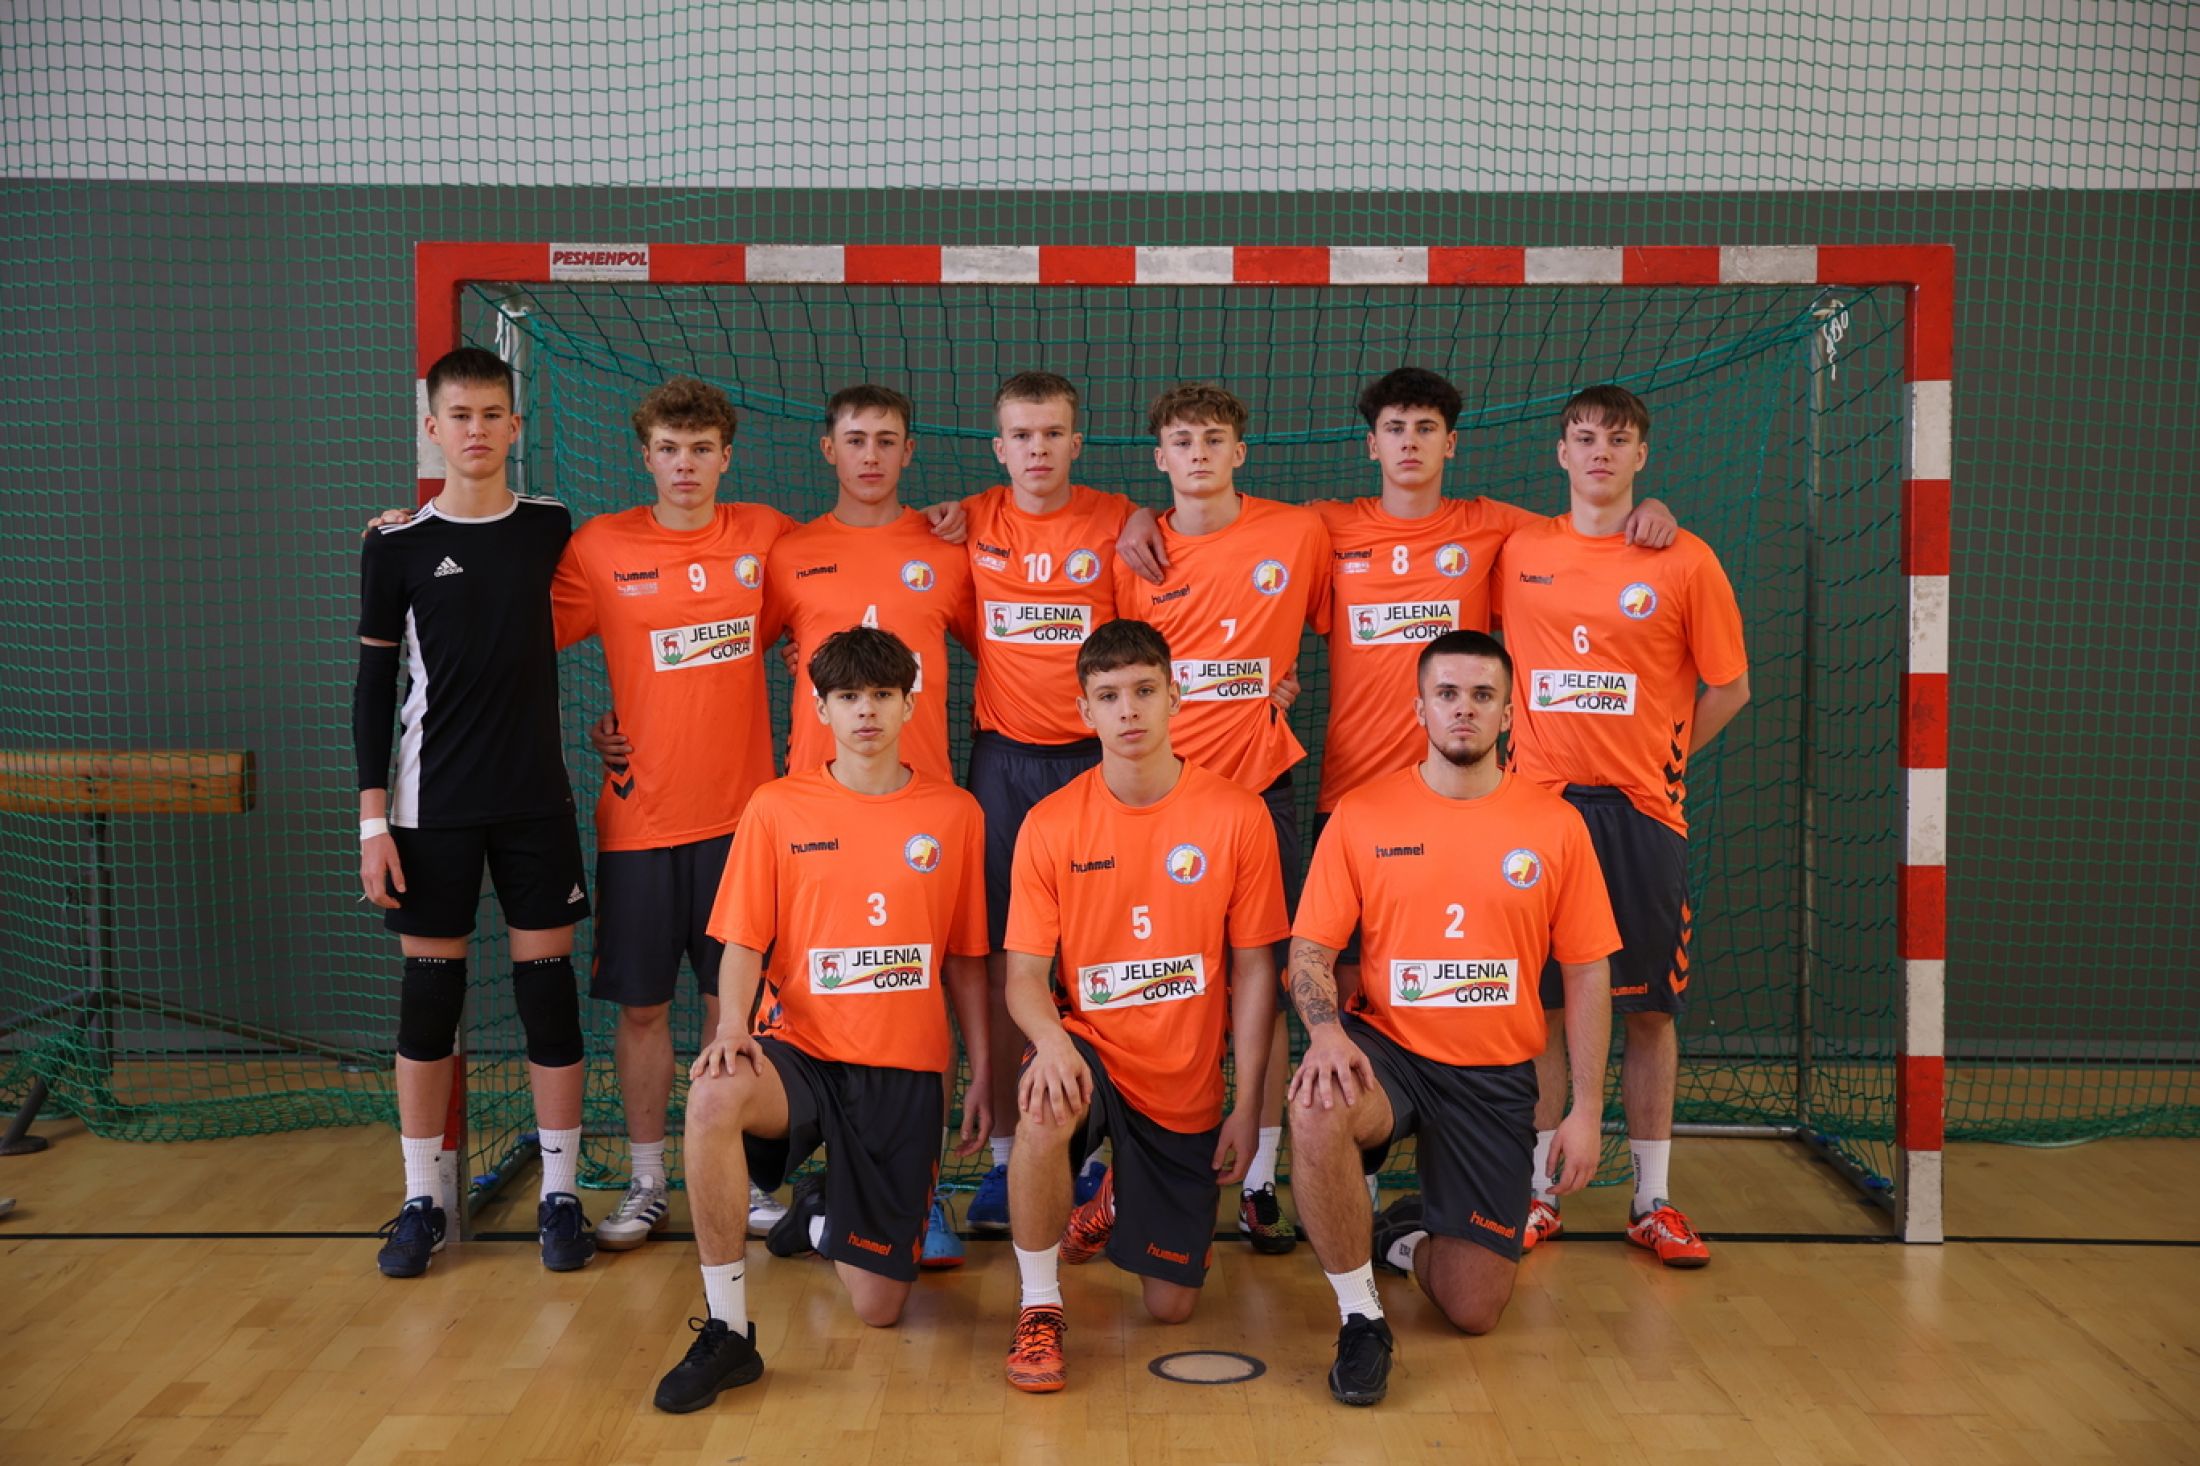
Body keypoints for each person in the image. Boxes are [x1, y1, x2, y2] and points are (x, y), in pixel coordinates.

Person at [652, 627, 991, 1414]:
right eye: (848, 697)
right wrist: (732, 1027)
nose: (865, 711)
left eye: (881, 695)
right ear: (820, 708)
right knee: (712, 1097)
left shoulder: (956, 814)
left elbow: (967, 960)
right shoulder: (777, 806)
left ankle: (816, 1212)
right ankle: (728, 1330)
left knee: (879, 1307)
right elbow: (743, 940)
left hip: (904, 1071)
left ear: (910, 705)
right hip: (799, 1052)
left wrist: (980, 1067)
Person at [1284, 630, 1619, 1405]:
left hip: (1494, 1077)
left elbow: (1587, 969)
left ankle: (1405, 1236)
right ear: (1420, 709)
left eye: (1481, 695)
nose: (1463, 709)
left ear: (1508, 714)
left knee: (1473, 1310)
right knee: (1317, 1102)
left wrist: (1587, 1109)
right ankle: (1361, 1317)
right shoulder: (1363, 814)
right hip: (1391, 1053)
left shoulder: (1555, 825)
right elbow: (1309, 952)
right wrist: (1326, 1033)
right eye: (1447, 694)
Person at [1494, 385, 1751, 1266]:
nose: (1600, 451)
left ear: (1642, 455)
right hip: (1536, 812)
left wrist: (1668, 756)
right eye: (1584, 437)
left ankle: (1651, 1200)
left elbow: (1730, 687)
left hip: (1641, 814)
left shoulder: (1686, 558)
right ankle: (1539, 1194)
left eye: (1618, 439)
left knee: (1646, 1011)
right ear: (1560, 453)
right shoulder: (1518, 548)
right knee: (1540, 1008)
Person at [354, 346, 595, 1279]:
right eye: (459, 415)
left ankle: (562, 1196)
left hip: (535, 803)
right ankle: (422, 1198)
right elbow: (373, 691)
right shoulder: (395, 546)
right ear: (432, 427)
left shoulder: (551, 526)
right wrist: (372, 824)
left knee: (548, 999)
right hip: (431, 808)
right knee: (429, 1003)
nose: (477, 429)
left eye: (493, 414)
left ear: (515, 426)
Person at [997, 619, 1287, 1392]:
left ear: (1175, 697)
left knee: (1171, 1307)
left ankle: (1116, 1202)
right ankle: (1038, 1307)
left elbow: (1255, 972)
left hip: (1183, 1082)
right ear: (1084, 710)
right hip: (1089, 1049)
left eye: (1144, 690)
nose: (1128, 710)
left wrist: (1247, 1106)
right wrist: (1052, 1043)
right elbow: (1023, 975)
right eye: (1109, 696)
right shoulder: (1050, 823)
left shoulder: (1237, 814)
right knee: (1044, 1104)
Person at [544, 377, 795, 1250]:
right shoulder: (600, 547)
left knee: (743, 1011)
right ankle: (648, 1180)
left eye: (700, 449)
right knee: (644, 1011)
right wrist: (414, 535)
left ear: (726, 457)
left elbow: (840, 584)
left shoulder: (768, 536)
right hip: (641, 824)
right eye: (668, 449)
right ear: (644, 456)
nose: (684, 465)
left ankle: (752, 1180)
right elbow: (514, 623)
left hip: (746, 825)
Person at [1109, 381, 1333, 1254]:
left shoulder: (1299, 533)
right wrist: (1136, 517)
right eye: (1181, 441)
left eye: (1213, 439)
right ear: (1159, 457)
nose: (1198, 453)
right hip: (1160, 803)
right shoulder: (1134, 552)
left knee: (1263, 987)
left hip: (1259, 794)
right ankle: (1140, 1166)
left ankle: (1260, 1175)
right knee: (1162, 983)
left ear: (1240, 451)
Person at [958, 371, 1138, 1234]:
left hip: (1095, 762)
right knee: (1008, 961)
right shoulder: (968, 521)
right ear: (1001, 448)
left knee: (1102, 957)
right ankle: (1004, 1160)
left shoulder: (1121, 522)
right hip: (1002, 763)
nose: (1038, 448)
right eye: (1022, 435)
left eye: (1053, 433)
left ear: (1076, 442)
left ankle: (1101, 1155)